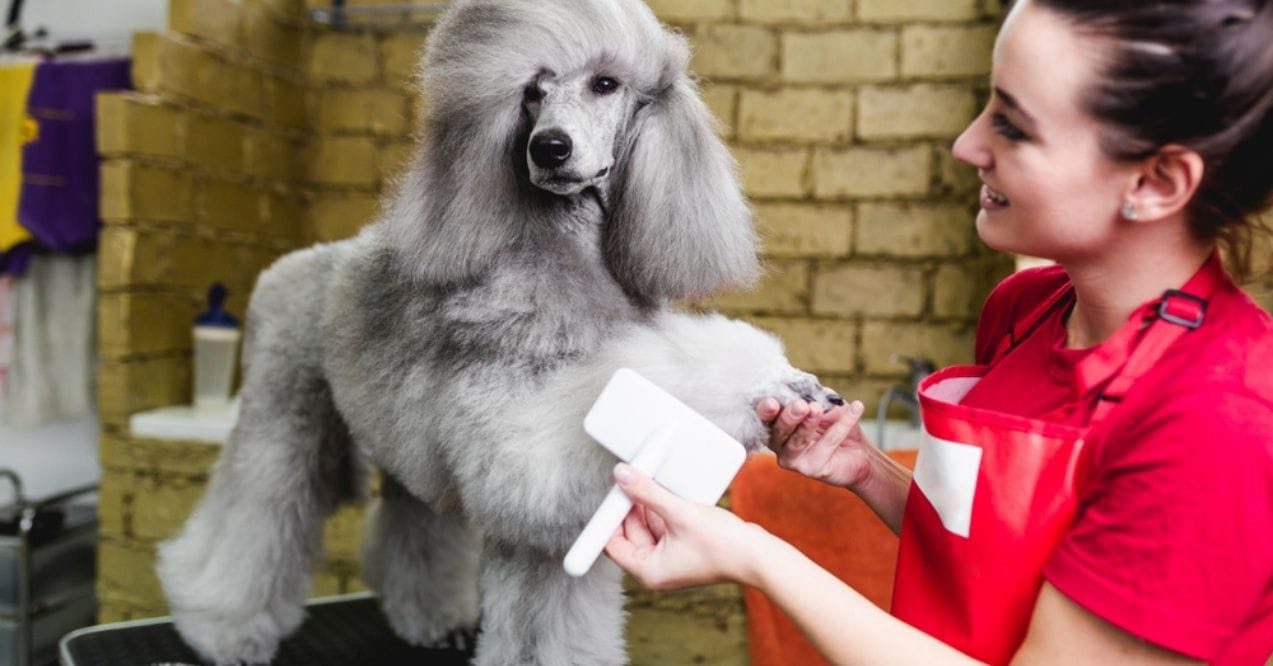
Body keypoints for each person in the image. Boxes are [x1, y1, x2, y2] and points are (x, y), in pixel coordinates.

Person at [604, 0, 1273, 663]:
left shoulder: (1218, 424)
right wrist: (865, 471)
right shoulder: (1025, 311)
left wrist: (754, 554)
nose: (967, 145)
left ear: (1155, 182)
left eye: (1012, 126)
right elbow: (985, 552)